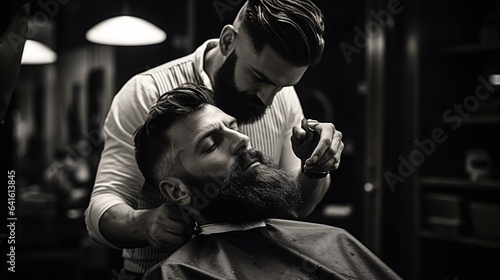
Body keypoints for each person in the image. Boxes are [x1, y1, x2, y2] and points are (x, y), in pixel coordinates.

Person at [85, 0, 345, 277]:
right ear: (228, 41)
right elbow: (100, 210)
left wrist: (315, 167)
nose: (268, 99)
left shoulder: (282, 97)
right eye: (258, 77)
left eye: (281, 86)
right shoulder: (146, 92)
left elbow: (296, 207)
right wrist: (145, 224)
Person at [133, 84, 401, 280]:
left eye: (234, 128)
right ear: (177, 191)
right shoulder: (177, 275)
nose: (242, 140)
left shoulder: (335, 241)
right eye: (212, 144)